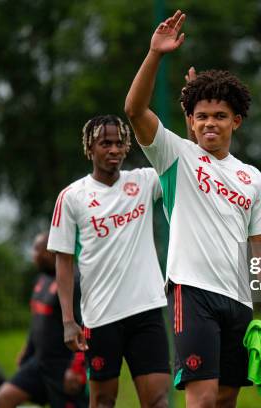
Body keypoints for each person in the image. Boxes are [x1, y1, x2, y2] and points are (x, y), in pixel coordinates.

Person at [124, 10, 261, 408]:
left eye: (220, 116)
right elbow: (134, 110)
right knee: (203, 398)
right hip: (192, 291)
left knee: (227, 399)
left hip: (239, 302)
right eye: (202, 117)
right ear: (191, 123)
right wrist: (155, 55)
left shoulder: (252, 178)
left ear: (237, 122)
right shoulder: (176, 157)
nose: (210, 123)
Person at [47, 115, 170, 408]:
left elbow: (180, 157)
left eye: (118, 143)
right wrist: (68, 320)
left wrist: (192, 112)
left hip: (147, 311)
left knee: (158, 402)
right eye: (105, 143)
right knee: (102, 402)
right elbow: (63, 261)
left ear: (127, 146)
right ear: (90, 147)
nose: (113, 149)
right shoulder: (71, 197)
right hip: (101, 318)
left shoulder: (143, 181)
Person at [0, 232, 88, 408]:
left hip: (62, 367)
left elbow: (85, 327)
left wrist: (76, 368)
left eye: (37, 250)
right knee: (4, 397)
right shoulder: (41, 279)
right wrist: (27, 349)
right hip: (38, 363)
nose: (33, 255)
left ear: (51, 252)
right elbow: (38, 321)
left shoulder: (74, 282)